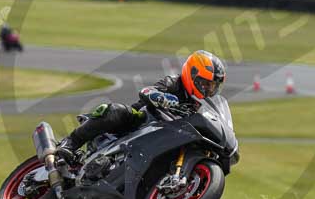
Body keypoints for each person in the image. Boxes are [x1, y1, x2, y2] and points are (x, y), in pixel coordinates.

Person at [56, 50, 226, 161]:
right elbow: (146, 91)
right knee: (116, 111)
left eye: (212, 86)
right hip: (139, 122)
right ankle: (70, 142)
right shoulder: (174, 83)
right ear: (193, 74)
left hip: (162, 136)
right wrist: (163, 98)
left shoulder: (196, 103)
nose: (208, 89)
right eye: (206, 83)